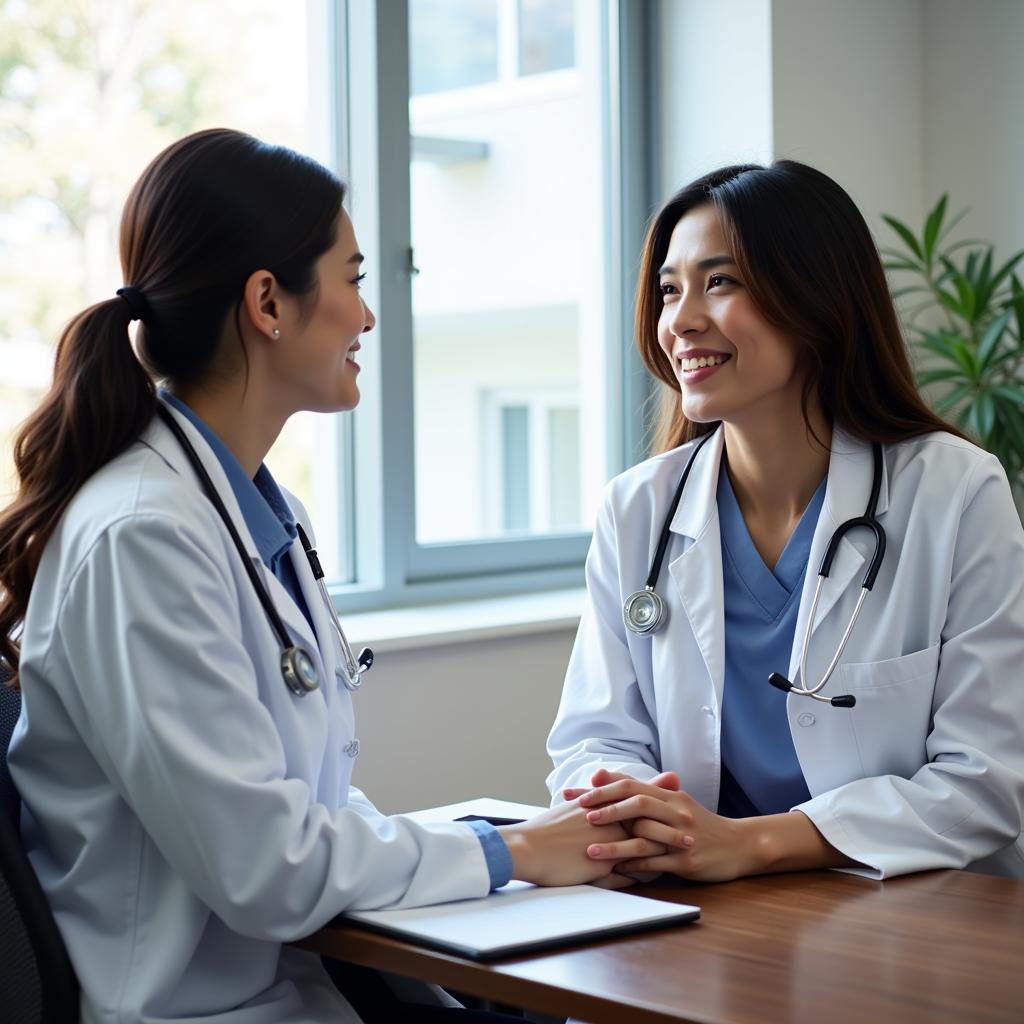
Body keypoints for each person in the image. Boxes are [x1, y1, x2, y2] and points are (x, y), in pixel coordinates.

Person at [0, 129, 654, 1024]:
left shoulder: (263, 516)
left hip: (295, 981)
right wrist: (516, 855)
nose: (368, 317)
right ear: (268, 302)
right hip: (195, 1008)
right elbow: (267, 867)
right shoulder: (141, 535)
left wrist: (494, 842)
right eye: (351, 279)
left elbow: (307, 805)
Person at [546, 160, 1024, 884]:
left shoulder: (954, 492)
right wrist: (631, 808)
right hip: (697, 905)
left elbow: (984, 785)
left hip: (903, 915)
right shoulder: (638, 509)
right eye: (670, 290)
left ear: (816, 299)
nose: (681, 320)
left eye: (721, 282)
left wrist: (752, 844)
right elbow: (593, 741)